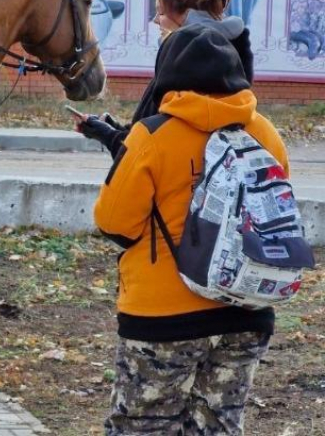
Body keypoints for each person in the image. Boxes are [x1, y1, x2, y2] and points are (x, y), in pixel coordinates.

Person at [93, 23, 289, 435]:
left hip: (163, 316)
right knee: (217, 426)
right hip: (247, 310)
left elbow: (114, 222)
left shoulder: (152, 135)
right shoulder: (265, 133)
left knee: (142, 425)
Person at [76, 0, 253, 157]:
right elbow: (152, 133)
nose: (154, 20)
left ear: (187, 16)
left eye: (160, 12)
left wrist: (106, 134)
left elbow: (145, 153)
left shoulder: (180, 76)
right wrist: (109, 128)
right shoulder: (231, 76)